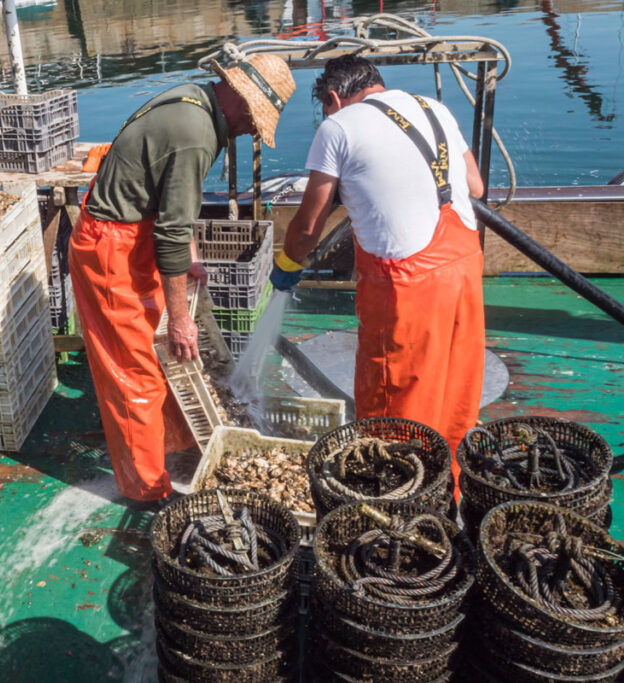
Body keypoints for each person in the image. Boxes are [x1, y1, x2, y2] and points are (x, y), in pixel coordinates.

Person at [70, 54, 296, 503]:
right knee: (134, 373)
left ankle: (177, 447)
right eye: (253, 119)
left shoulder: (194, 101)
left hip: (138, 234)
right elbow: (171, 231)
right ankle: (146, 490)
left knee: (159, 363)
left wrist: (191, 260)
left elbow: (173, 206)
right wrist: (180, 320)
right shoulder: (197, 134)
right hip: (111, 248)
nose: (251, 130)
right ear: (237, 99)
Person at [272, 55, 486, 475]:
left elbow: (309, 225)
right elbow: (475, 185)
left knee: (394, 407)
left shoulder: (337, 127)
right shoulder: (433, 107)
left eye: (327, 108)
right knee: (455, 395)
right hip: (464, 267)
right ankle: (451, 491)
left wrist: (287, 264)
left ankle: (398, 501)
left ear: (334, 98)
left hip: (406, 286)